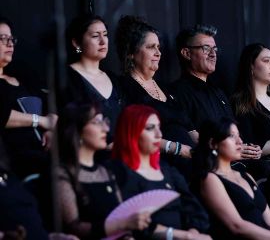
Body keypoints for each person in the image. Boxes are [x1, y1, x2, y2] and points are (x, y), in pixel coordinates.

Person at [193, 117, 270, 240]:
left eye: (239, 135)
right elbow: (237, 226)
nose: (239, 141)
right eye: (231, 136)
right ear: (213, 143)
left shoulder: (246, 176)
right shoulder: (210, 179)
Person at [112, 104, 211, 240]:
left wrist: (192, 233)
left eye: (159, 127)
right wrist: (183, 236)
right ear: (131, 131)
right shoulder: (117, 173)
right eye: (150, 128)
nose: (159, 135)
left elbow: (196, 211)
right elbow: (131, 224)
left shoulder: (167, 171)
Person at [54, 102, 151, 240]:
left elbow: (120, 214)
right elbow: (74, 227)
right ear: (77, 130)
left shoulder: (106, 171)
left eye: (105, 122)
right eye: (96, 122)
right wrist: (123, 224)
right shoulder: (62, 173)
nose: (105, 129)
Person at [115, 16, 195, 179]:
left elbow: (191, 130)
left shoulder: (166, 88)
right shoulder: (125, 87)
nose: (158, 53)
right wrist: (178, 149)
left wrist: (212, 151)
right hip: (163, 165)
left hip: (191, 160)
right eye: (151, 47)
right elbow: (135, 134)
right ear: (131, 53)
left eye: (158, 47)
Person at [170, 24, 260, 160]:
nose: (213, 54)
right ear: (187, 53)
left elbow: (234, 131)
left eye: (215, 49)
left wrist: (249, 149)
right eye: (206, 48)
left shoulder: (219, 92)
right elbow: (190, 138)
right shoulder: (177, 93)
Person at [0, 16, 57, 178]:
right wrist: (40, 121)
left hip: (46, 160)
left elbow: (51, 110)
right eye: (2, 39)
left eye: (11, 39)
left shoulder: (23, 77)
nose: (10, 43)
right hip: (15, 167)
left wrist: (51, 128)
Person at [63, 14, 124, 146]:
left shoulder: (114, 78)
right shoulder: (67, 77)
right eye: (95, 36)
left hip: (120, 156)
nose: (103, 41)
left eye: (105, 34)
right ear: (77, 43)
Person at [230, 43, 270, 179]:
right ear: (251, 66)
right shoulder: (240, 103)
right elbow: (251, 149)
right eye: (266, 61)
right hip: (264, 171)